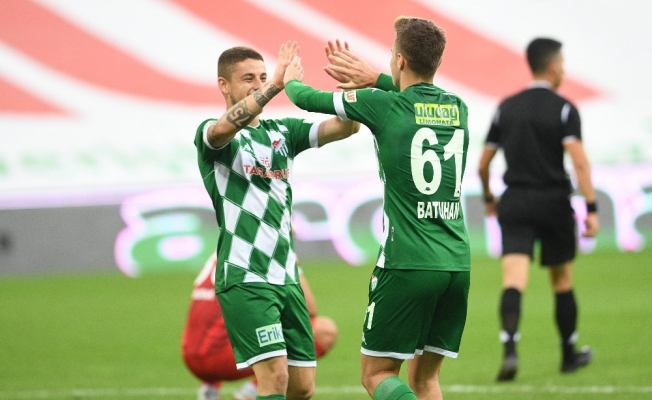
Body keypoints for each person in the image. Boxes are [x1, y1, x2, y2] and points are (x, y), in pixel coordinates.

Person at [284, 17, 471, 400]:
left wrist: (286, 78)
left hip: (408, 262)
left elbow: (305, 98)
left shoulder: (381, 105)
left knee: (377, 373)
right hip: (456, 263)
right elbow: (416, 101)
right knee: (426, 380)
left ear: (400, 60)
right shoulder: (458, 108)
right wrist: (376, 78)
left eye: (390, 55)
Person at [194, 41, 359, 400]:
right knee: (275, 377)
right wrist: (274, 86)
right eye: (248, 78)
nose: (258, 84)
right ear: (224, 85)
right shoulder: (214, 136)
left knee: (302, 387)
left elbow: (345, 128)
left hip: (286, 277)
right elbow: (221, 130)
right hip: (245, 276)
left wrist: (351, 92)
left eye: (263, 76)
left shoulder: (283, 132)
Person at [477, 37, 600, 381]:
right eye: (562, 63)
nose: (563, 70)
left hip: (515, 202)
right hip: (553, 202)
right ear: (552, 65)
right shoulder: (564, 109)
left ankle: (510, 351)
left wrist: (488, 198)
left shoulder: (506, 107)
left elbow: (483, 164)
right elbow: (580, 164)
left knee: (513, 280)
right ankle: (568, 355)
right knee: (562, 281)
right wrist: (591, 207)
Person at [182, 251, 338, 400]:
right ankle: (251, 391)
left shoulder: (227, 246)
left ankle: (210, 388)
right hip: (223, 359)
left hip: (190, 355)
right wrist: (295, 267)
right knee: (324, 330)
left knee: (228, 317)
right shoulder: (267, 249)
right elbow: (308, 310)